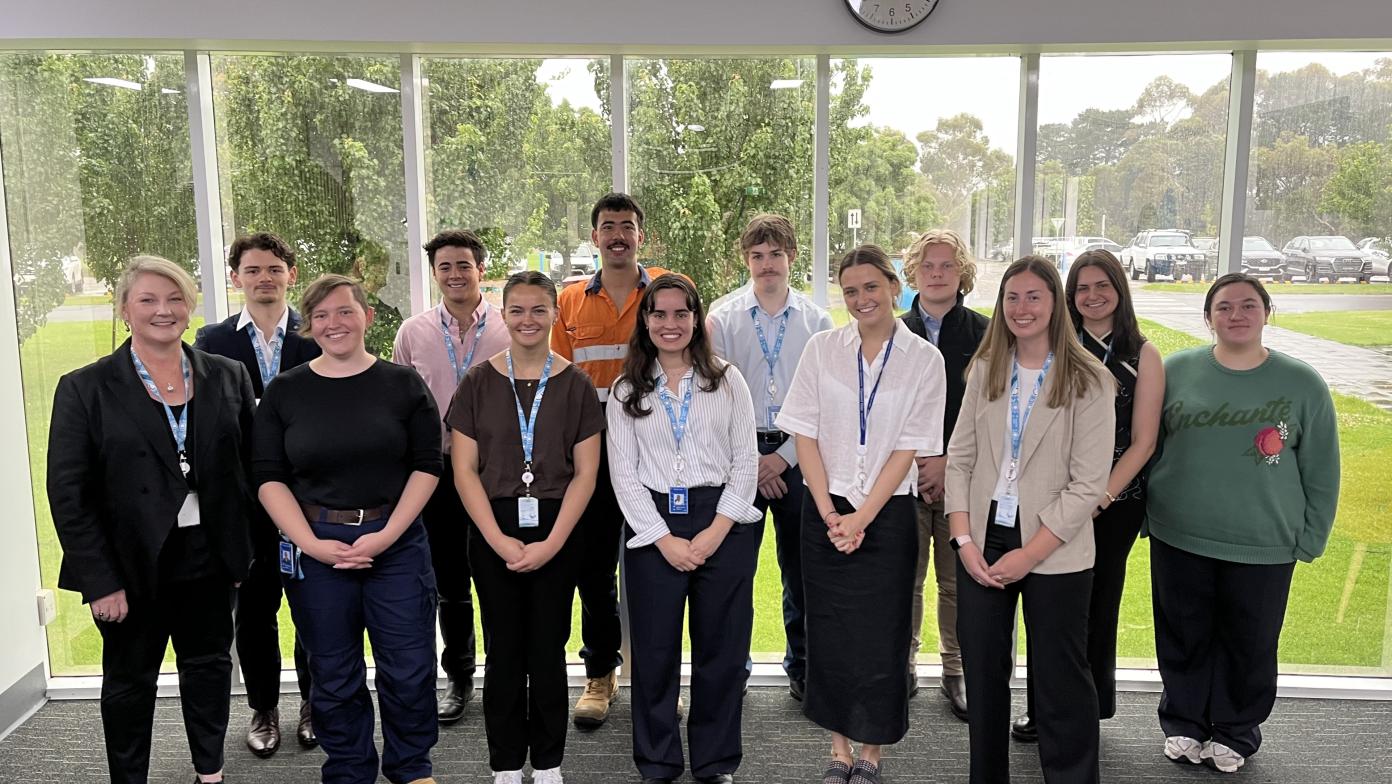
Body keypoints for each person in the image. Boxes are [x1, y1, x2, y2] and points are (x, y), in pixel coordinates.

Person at [48, 255, 257, 784]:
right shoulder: (85, 388)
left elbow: (251, 474)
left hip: (209, 558)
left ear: (190, 307)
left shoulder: (228, 376)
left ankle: (209, 771)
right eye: (147, 300)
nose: (163, 310)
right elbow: (69, 495)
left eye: (174, 299)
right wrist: (100, 582)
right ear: (124, 309)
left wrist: (241, 552)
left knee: (208, 668)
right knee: (128, 682)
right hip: (129, 564)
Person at [253, 274, 443, 784]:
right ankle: (349, 769)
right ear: (308, 326)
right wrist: (310, 544)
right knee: (334, 675)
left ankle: (411, 767)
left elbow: (428, 465)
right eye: (320, 316)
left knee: (409, 668)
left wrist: (386, 536)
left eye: (344, 312)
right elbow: (268, 478)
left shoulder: (402, 384)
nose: (333, 324)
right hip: (314, 545)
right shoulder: (284, 392)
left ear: (368, 317)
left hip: (395, 541)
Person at [1147, 273, 1338, 774]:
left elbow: (1322, 467)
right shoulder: (1176, 371)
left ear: (1266, 313)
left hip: (1263, 542)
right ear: (1208, 317)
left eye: (1248, 305)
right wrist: (1145, 514)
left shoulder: (1302, 383)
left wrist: (1312, 534)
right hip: (1178, 533)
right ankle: (1184, 723)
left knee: (1250, 642)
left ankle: (1235, 731)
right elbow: (1150, 447)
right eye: (1224, 307)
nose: (1236, 315)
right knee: (1182, 634)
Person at [777, 245, 946, 784]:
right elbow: (803, 431)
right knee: (828, 631)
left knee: (882, 634)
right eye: (850, 290)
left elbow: (910, 448)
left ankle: (871, 752)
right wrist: (829, 512)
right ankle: (838, 750)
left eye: (871, 287)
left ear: (895, 287)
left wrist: (862, 518)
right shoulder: (823, 349)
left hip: (888, 514)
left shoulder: (925, 359)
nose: (860, 299)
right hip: (825, 511)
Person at [945, 256, 1114, 784]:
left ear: (1055, 304)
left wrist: (1029, 553)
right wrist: (963, 540)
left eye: (1034, 297)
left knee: (1062, 679)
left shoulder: (1090, 378)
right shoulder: (986, 368)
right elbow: (960, 458)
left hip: (1055, 545)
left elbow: (1089, 485)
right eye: (1012, 298)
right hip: (985, 535)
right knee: (984, 673)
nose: (1022, 308)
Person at [445, 271, 604, 784]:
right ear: (504, 314)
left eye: (539, 309)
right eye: (517, 310)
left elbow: (586, 473)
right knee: (505, 649)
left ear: (556, 314)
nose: (528, 319)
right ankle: (507, 764)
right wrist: (498, 539)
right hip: (494, 526)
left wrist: (552, 544)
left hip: (558, 526)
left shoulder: (575, 384)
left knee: (548, 648)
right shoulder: (477, 382)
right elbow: (463, 470)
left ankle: (551, 762)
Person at [608, 274, 762, 784]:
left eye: (680, 313)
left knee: (722, 650)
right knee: (653, 653)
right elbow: (622, 474)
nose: (670, 324)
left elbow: (746, 462)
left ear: (696, 319)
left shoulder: (728, 379)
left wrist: (717, 530)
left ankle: (716, 762)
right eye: (659, 314)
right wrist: (663, 539)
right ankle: (657, 762)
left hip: (724, 521)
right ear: (645, 321)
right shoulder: (627, 389)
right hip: (652, 526)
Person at [1011, 248, 1163, 742]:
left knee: (1097, 605)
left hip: (1114, 505)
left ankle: (1086, 711)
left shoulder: (1143, 354)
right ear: (1068, 297)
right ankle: (1042, 710)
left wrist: (1101, 496)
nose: (1092, 296)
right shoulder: (1056, 348)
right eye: (1082, 288)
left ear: (1120, 289)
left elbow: (1143, 441)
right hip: (1053, 499)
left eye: (1102, 286)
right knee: (1048, 608)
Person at [550, 192, 676, 729]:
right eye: (607, 226)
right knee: (594, 572)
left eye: (627, 225)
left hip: (659, 455)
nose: (617, 234)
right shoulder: (571, 300)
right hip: (594, 460)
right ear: (595, 236)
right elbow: (557, 378)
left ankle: (658, 674)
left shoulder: (669, 290)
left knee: (659, 568)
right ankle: (600, 672)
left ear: (640, 236)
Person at [194, 231, 322, 755]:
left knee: (316, 608)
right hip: (247, 505)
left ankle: (316, 704)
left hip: (311, 499)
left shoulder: (317, 336)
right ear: (236, 279)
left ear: (291, 274)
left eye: (274, 269)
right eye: (252, 271)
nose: (264, 279)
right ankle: (264, 709)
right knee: (255, 612)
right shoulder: (213, 341)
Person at [707, 213, 834, 701]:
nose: (766, 265)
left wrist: (780, 459)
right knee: (732, 574)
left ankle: (803, 668)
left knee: (802, 572)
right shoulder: (723, 317)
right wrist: (751, 464)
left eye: (775, 255)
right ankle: (731, 672)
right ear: (746, 260)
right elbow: (715, 397)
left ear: (792, 257)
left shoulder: (817, 321)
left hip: (799, 456)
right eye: (757, 256)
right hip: (737, 457)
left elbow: (822, 400)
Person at [393, 229, 510, 724]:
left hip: (499, 471)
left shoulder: (511, 325)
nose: (455, 275)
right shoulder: (413, 333)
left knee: (503, 575)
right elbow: (401, 404)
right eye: (445, 267)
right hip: (438, 472)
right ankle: (459, 678)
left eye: (464, 265)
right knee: (450, 583)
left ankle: (509, 676)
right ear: (435, 274)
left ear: (481, 270)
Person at [897, 228, 988, 719]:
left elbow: (991, 411)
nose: (936, 273)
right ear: (913, 272)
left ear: (962, 274)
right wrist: (916, 461)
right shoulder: (891, 332)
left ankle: (956, 670)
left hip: (965, 481)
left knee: (957, 583)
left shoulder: (986, 333)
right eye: (928, 265)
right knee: (905, 579)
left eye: (947, 265)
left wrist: (948, 461)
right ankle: (904, 664)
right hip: (903, 478)